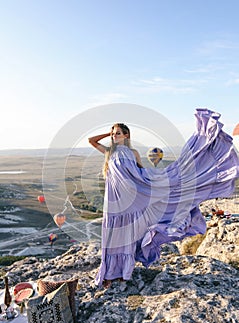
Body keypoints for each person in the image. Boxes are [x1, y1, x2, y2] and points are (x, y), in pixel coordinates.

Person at [88, 110, 239, 288]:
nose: (114, 136)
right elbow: (92, 141)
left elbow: (141, 175)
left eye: (118, 133)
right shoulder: (109, 152)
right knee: (113, 236)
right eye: (113, 134)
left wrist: (160, 183)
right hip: (114, 202)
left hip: (132, 201)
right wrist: (110, 132)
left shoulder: (133, 153)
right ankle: (108, 274)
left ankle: (122, 273)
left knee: (126, 236)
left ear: (126, 135)